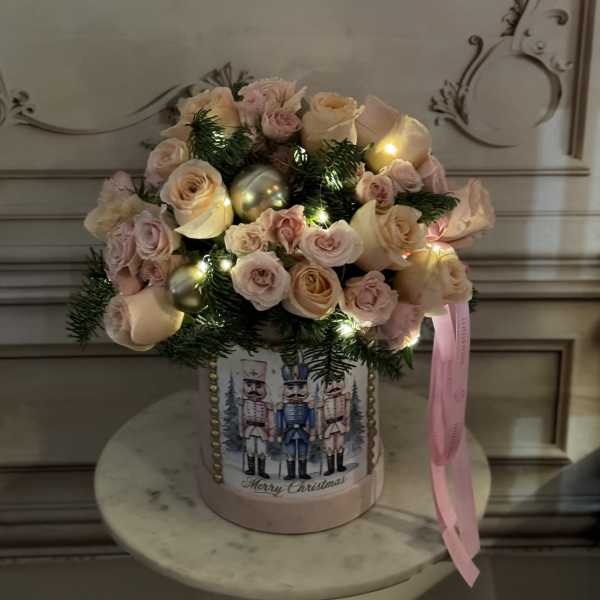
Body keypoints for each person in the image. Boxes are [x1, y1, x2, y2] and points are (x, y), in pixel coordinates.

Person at [277, 363, 315, 480]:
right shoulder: (282, 406)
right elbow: (279, 420)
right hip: (289, 432)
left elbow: (311, 418)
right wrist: (279, 433)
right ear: (284, 389)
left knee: (303, 453)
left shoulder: (308, 406)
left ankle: (302, 473)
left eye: (301, 387)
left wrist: (312, 431)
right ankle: (291, 474)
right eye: (290, 388)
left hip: (303, 432)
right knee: (291, 454)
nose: (296, 391)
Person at [238, 359, 273, 479]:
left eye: (258, 386)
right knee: (250, 450)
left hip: (262, 431)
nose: (254, 389)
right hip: (249, 430)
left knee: (262, 451)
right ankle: (251, 469)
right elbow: (241, 417)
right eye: (249, 385)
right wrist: (241, 430)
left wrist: (271, 433)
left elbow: (270, 420)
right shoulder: (243, 403)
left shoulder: (266, 405)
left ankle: (262, 471)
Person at [317, 378, 350, 475]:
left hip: (340, 426)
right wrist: (319, 431)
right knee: (329, 448)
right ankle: (330, 469)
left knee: (340, 446)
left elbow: (347, 412)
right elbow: (319, 417)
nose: (334, 386)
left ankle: (340, 466)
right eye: (330, 383)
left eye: (338, 381)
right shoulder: (323, 401)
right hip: (328, 428)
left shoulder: (343, 398)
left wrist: (347, 424)